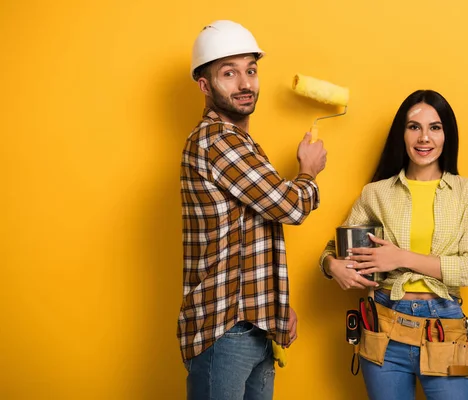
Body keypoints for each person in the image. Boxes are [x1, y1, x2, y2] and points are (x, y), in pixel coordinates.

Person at [178, 20, 327, 400]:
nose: (245, 84)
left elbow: (252, 233)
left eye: (251, 70)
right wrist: (308, 170)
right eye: (229, 73)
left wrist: (276, 307)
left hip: (255, 326)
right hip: (225, 332)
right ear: (205, 85)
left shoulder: (241, 143)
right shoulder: (218, 141)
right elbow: (289, 207)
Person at [319, 90, 468, 399]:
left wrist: (400, 258)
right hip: (384, 323)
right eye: (414, 127)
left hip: (444, 329)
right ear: (402, 134)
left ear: (447, 134)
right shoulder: (376, 193)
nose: (424, 137)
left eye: (434, 127)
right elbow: (333, 251)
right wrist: (333, 267)